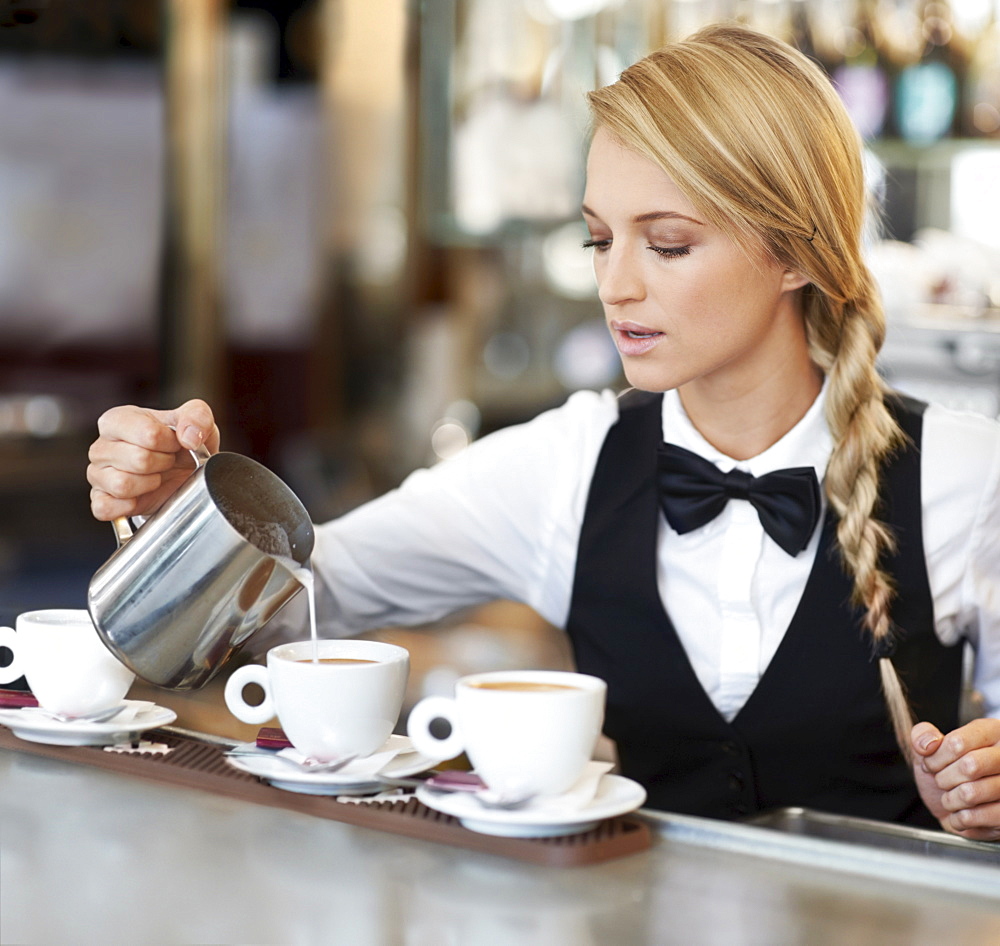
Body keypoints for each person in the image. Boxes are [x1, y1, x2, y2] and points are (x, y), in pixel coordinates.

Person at [87, 24, 1000, 841]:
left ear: (798, 251)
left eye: (669, 243)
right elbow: (296, 599)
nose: (617, 286)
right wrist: (182, 520)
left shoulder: (965, 472)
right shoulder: (564, 464)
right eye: (602, 240)